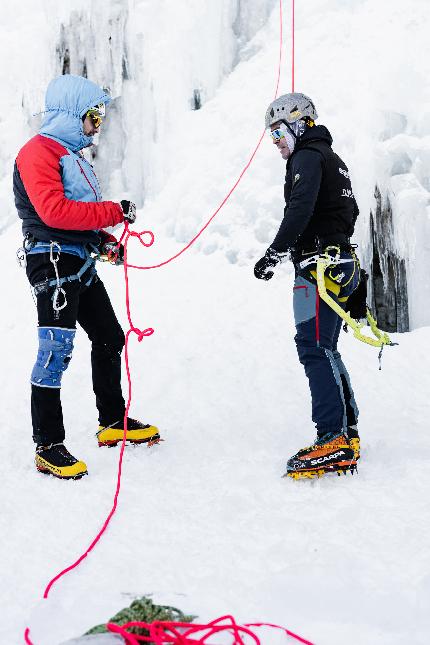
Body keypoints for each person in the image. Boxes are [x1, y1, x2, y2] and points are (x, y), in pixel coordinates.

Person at [14, 74, 160, 480]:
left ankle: (112, 421)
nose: (99, 124)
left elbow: (75, 219)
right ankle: (48, 445)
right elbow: (53, 213)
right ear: (73, 114)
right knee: (55, 350)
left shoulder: (72, 156)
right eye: (94, 116)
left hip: (78, 260)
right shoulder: (37, 153)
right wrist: (113, 212)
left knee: (110, 336)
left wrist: (102, 242)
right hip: (52, 262)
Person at [254, 92, 361, 479]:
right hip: (340, 261)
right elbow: (349, 213)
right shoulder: (334, 160)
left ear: (299, 123)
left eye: (278, 133)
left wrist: (274, 252)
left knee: (313, 346)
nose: (276, 143)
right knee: (324, 346)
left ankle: (332, 437)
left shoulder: (307, 157)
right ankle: (346, 430)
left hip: (319, 266)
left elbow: (300, 208)